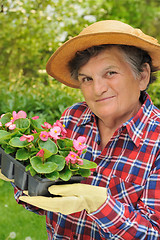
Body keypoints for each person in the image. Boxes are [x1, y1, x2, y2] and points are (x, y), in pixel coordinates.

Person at [1, 20, 160, 239]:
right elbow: (47, 205)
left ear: (142, 75)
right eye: (87, 78)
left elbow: (153, 234)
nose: (98, 89)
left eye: (110, 73)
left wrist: (100, 205)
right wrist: (23, 180)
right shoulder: (73, 118)